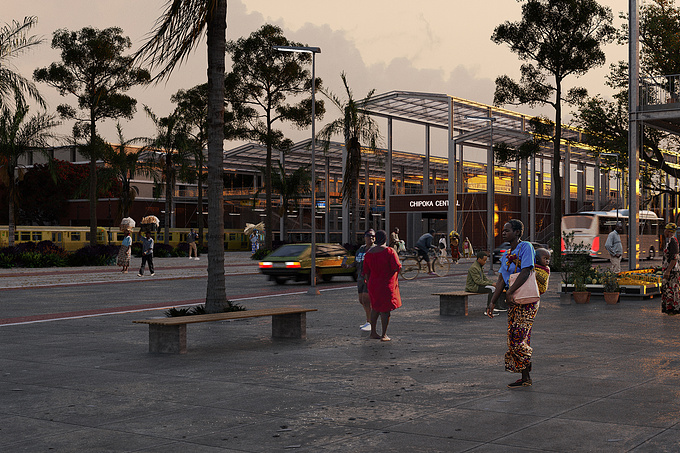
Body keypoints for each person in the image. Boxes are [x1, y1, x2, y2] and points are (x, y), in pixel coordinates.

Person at [487, 219, 537, 389]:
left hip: (526, 300)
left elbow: (526, 270)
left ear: (517, 232)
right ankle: (525, 376)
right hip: (513, 301)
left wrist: (509, 291)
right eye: (503, 230)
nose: (503, 233)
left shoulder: (526, 247)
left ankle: (526, 368)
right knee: (515, 338)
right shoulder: (507, 254)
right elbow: (501, 278)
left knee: (518, 338)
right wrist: (493, 301)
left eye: (507, 230)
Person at [363, 230, 402, 341]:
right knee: (385, 310)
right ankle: (384, 334)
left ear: (375, 239)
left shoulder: (369, 253)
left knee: (375, 308)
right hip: (386, 284)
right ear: (386, 239)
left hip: (373, 284)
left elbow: (366, 271)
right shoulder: (390, 251)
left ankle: (373, 332)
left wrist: (369, 282)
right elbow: (397, 267)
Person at [343, 229, 375, 331]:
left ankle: (370, 322)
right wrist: (347, 266)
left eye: (373, 236)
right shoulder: (361, 249)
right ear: (364, 237)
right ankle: (369, 319)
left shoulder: (375, 250)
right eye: (369, 236)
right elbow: (356, 262)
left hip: (369, 278)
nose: (371, 238)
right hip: (360, 278)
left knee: (366, 300)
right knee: (361, 300)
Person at [662, 223, 680, 315]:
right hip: (669, 269)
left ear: (668, 231)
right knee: (668, 289)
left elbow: (674, 258)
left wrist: (668, 271)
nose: (664, 231)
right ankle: (669, 308)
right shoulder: (669, 241)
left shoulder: (672, 241)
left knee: (672, 289)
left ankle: (673, 308)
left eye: (665, 229)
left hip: (672, 271)